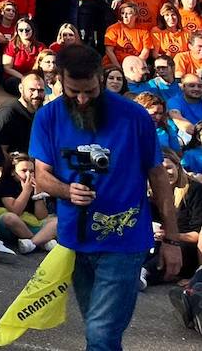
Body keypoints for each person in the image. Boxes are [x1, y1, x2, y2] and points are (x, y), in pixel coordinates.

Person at [30, 42, 183, 351]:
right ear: (58, 79)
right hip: (75, 239)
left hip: (125, 242)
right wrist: (65, 190)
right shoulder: (47, 117)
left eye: (90, 90)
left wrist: (172, 241)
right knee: (100, 332)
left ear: (101, 78)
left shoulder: (134, 117)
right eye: (74, 92)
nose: (83, 100)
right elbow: (42, 174)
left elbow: (159, 178)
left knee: (101, 334)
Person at [0, 70, 47, 156]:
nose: (36, 94)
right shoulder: (8, 112)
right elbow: (1, 151)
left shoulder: (42, 111)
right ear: (21, 89)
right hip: (17, 163)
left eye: (41, 90)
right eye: (32, 90)